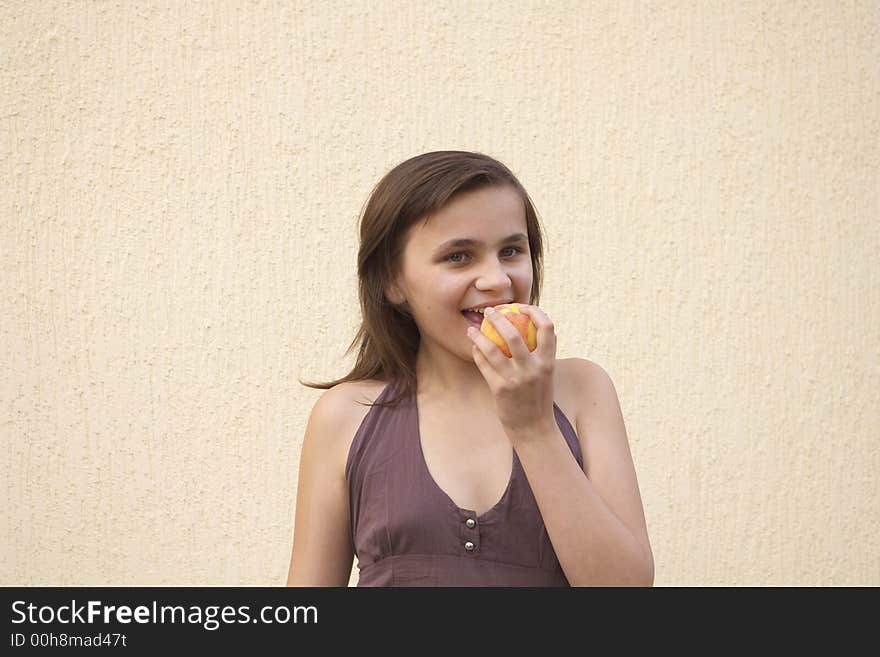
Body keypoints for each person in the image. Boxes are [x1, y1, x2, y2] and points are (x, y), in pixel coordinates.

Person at [286, 151, 653, 586]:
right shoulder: (347, 415)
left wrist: (533, 427)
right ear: (392, 281)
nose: (497, 280)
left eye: (512, 250)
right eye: (459, 257)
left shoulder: (581, 390)